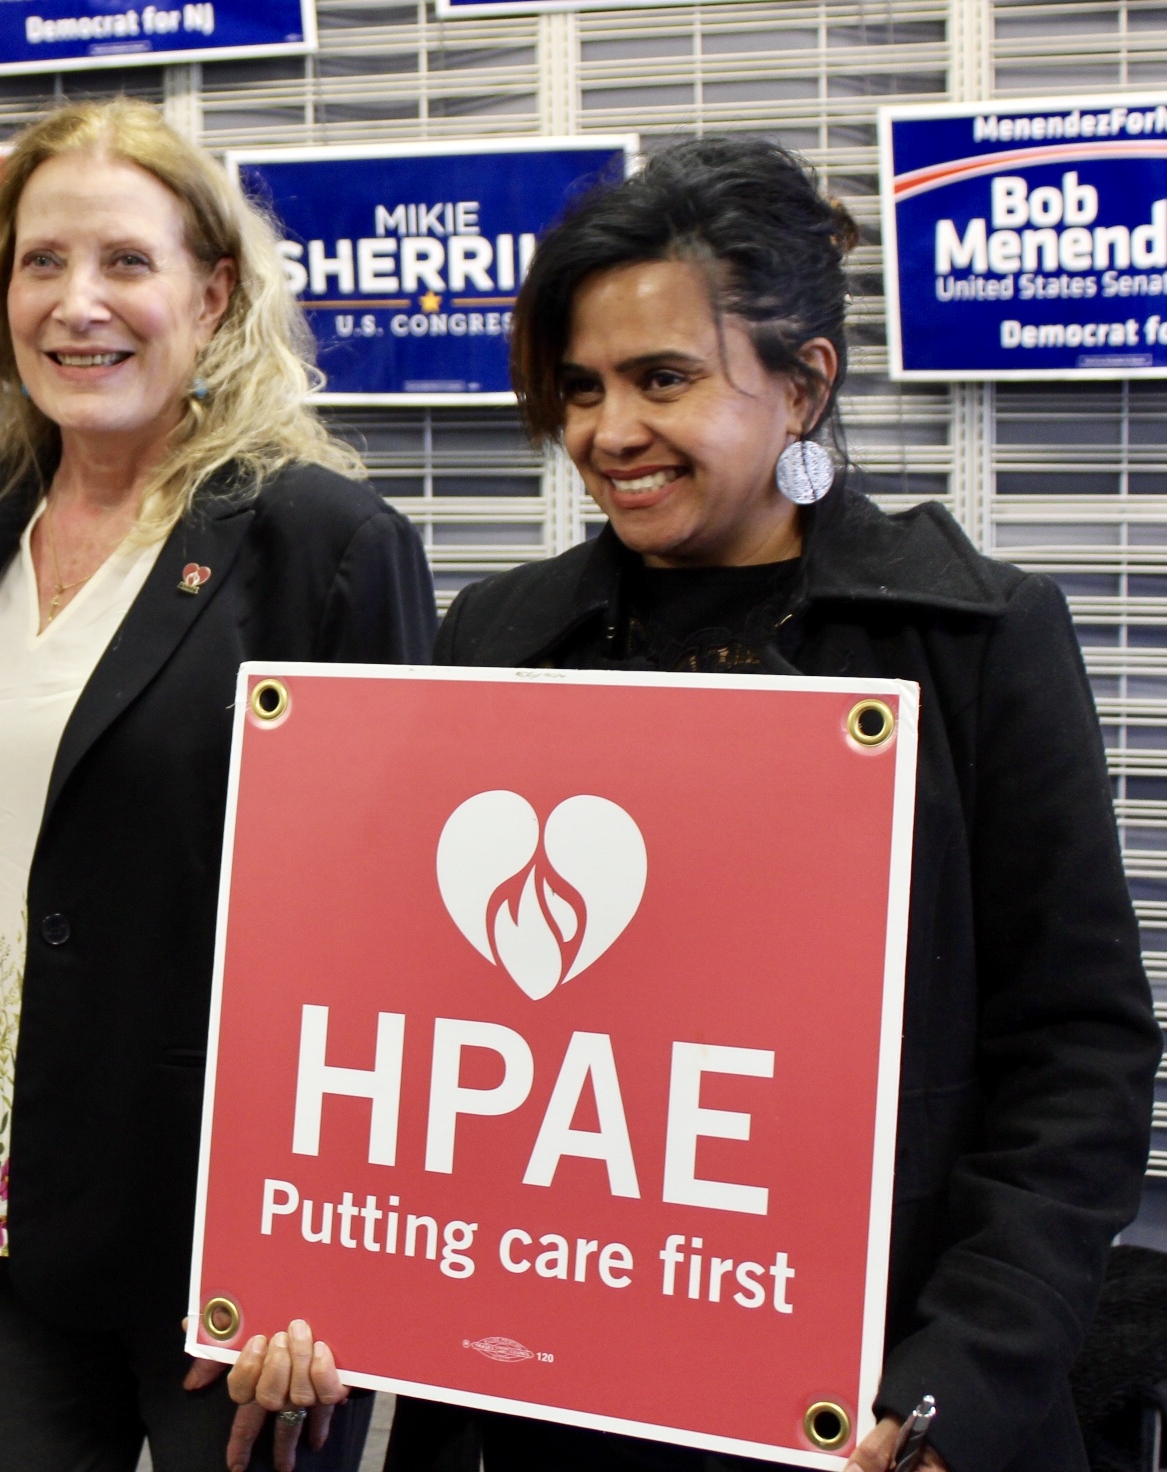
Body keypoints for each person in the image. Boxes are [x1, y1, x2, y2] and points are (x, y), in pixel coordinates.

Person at [244, 136, 1163, 1472]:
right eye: (578, 388)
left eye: (660, 378)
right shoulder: (497, 638)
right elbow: (402, 1021)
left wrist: (957, 1377)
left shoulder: (971, 639)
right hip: (548, 1409)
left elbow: (1073, 1056)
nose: (607, 431)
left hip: (865, 1407)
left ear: (802, 386)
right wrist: (306, 1281)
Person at [0, 97, 436, 1472]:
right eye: (41, 262)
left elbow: (393, 938)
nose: (78, 304)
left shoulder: (322, 541)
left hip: (229, 1254)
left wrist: (320, 1256)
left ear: (212, 291)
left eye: (125, 260)